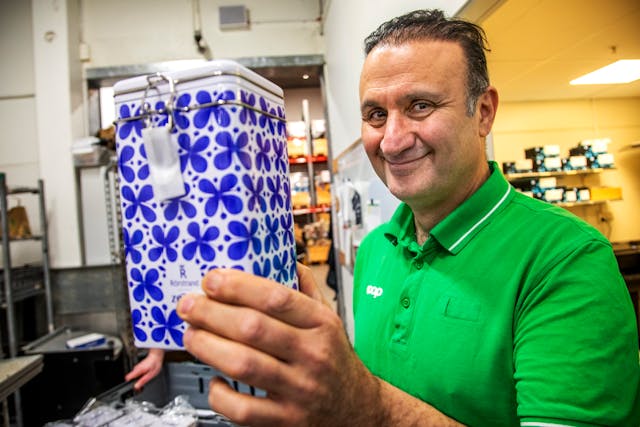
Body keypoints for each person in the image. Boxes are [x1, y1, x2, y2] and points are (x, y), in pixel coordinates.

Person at [176, 9, 640, 426]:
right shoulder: (375, 248)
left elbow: (368, 404)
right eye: (376, 114)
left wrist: (363, 404)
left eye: (420, 106)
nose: (393, 140)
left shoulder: (567, 260)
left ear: (483, 113)